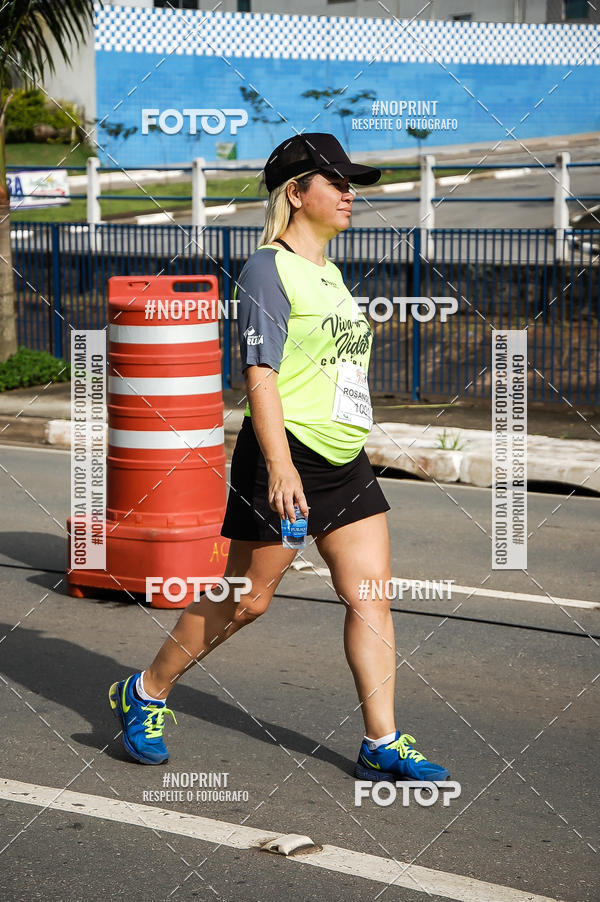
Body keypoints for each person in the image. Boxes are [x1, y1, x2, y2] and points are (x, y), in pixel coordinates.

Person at [109, 133, 449, 783]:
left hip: (342, 460)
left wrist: (356, 431)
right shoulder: (269, 268)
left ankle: (381, 741)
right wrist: (282, 465)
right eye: (338, 183)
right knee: (245, 600)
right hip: (283, 456)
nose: (351, 195)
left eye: (352, 185)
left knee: (369, 596)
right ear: (297, 193)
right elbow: (258, 375)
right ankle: (146, 691)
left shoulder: (330, 273)